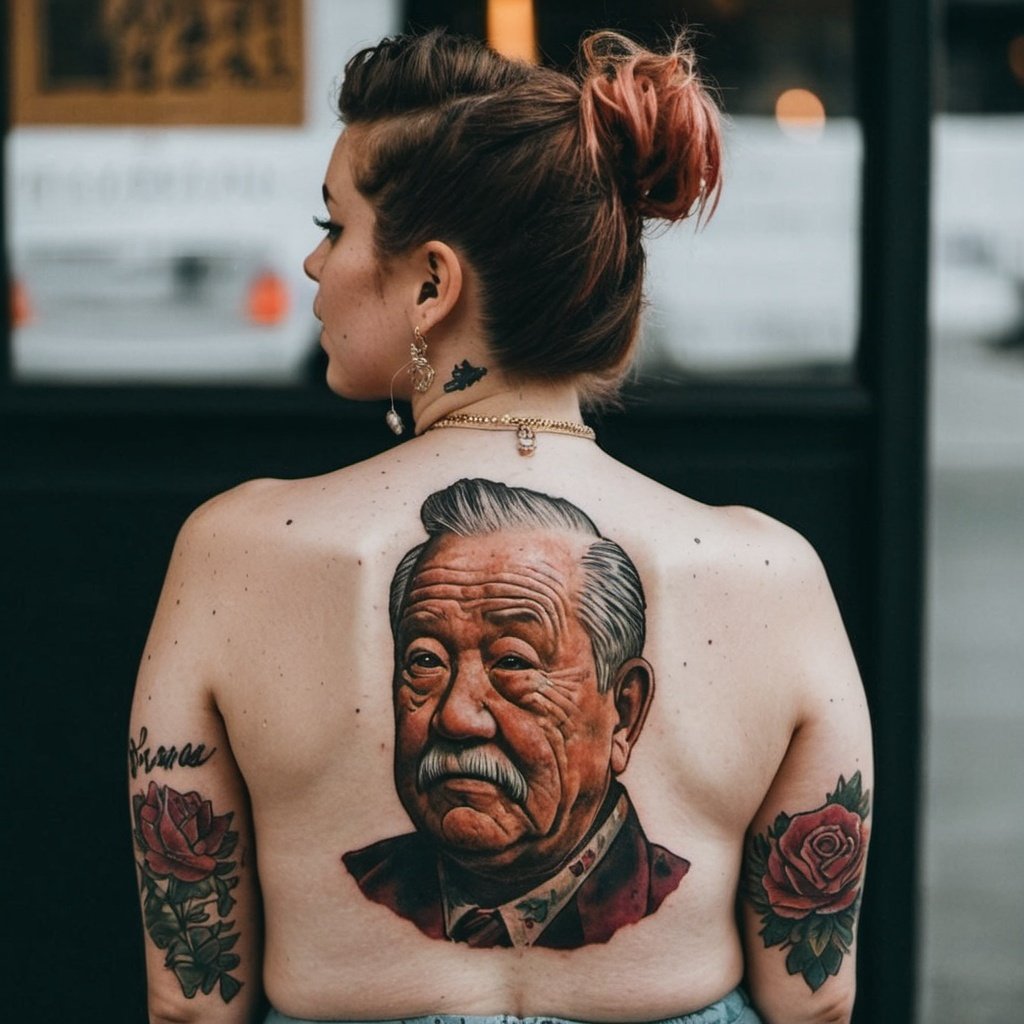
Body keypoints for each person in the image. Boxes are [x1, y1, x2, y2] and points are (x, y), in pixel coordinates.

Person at [129, 26, 872, 1024]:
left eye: (334, 226)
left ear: (433, 283)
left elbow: (191, 1005)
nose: (312, 263)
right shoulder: (769, 574)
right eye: (426, 662)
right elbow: (814, 1005)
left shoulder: (235, 553)